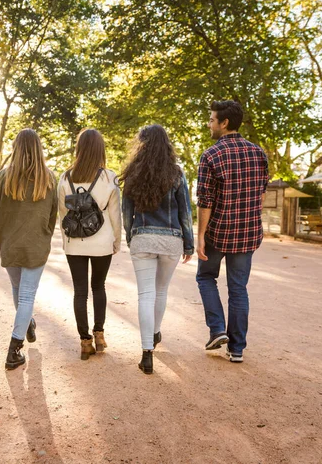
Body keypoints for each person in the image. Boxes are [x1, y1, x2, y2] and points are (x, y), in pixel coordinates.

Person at [196, 100, 268, 363]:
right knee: (238, 289)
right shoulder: (258, 153)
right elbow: (260, 193)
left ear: (224, 123)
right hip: (248, 233)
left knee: (205, 278)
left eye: (212, 120)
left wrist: (200, 236)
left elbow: (205, 201)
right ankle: (236, 349)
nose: (209, 124)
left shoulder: (211, 155)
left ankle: (217, 330)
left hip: (218, 232)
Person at [120, 124, 194, 375]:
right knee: (161, 291)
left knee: (145, 295)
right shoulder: (176, 173)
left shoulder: (133, 173)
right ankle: (154, 333)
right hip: (171, 240)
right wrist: (189, 243)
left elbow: (126, 212)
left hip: (143, 238)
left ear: (141, 144)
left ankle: (146, 352)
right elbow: (185, 211)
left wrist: (132, 237)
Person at [0, 129, 58, 370]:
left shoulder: (3, 177)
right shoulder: (49, 178)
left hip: (9, 243)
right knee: (27, 295)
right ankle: (14, 349)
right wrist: (44, 236)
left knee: (18, 289)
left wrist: (2, 239)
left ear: (15, 148)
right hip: (36, 244)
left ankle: (27, 323)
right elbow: (53, 216)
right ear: (38, 149)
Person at [58, 129, 121, 360]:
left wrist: (66, 241)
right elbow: (115, 214)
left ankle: (85, 341)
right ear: (100, 150)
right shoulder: (109, 177)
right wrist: (117, 240)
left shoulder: (66, 178)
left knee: (80, 292)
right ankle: (100, 334)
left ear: (79, 149)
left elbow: (63, 214)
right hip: (102, 241)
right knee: (99, 287)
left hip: (75, 243)